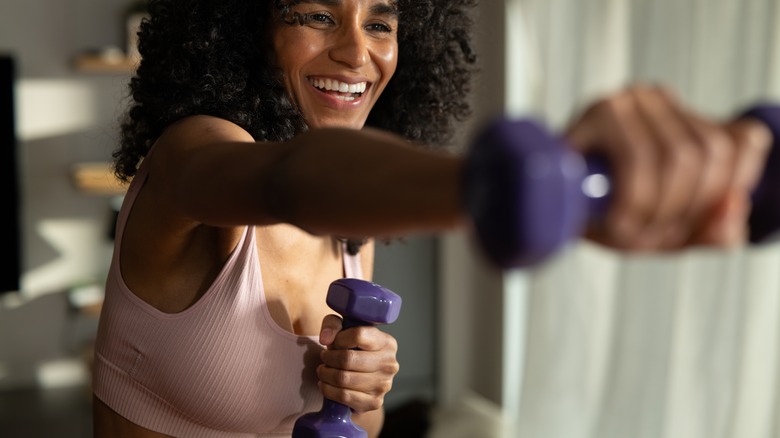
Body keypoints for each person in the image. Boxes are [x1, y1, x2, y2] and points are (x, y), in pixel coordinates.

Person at [91, 0, 772, 437]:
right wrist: (519, 182)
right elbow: (288, 180)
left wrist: (363, 388)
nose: (359, 53)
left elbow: (361, 423)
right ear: (247, 30)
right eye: (318, 16)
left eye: (380, 22)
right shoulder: (197, 155)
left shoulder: (349, 231)